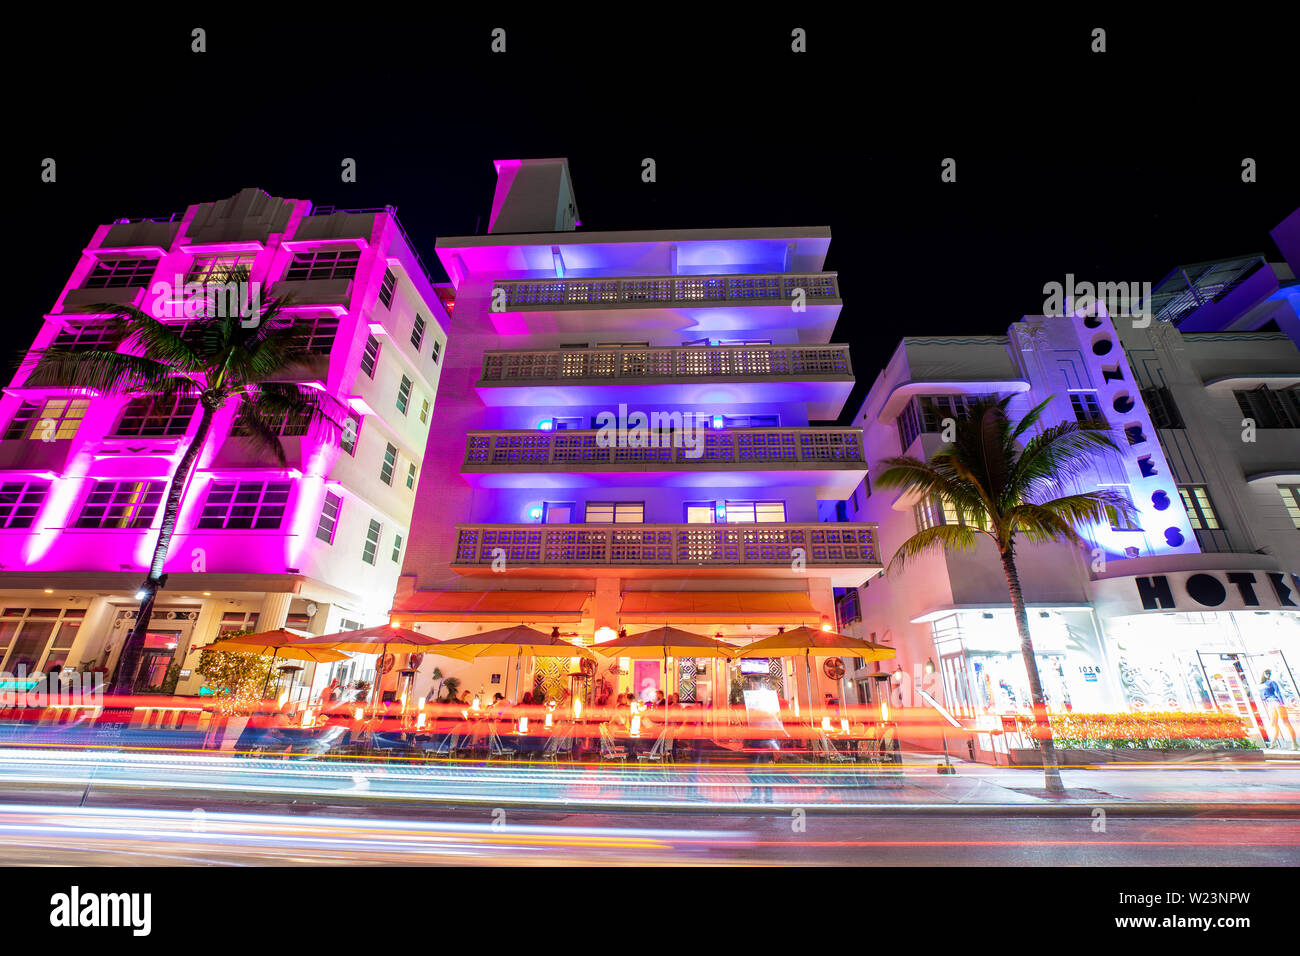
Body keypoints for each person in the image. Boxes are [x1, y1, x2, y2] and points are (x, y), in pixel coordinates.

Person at [1259, 670, 1297, 749]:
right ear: (1263, 674)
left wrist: (1282, 703)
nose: (1269, 674)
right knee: (1274, 724)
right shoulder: (1261, 685)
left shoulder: (1272, 682)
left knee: (1285, 722)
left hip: (1276, 703)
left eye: (1270, 673)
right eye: (1267, 673)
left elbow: (1278, 693)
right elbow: (1262, 697)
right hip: (1270, 704)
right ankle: (1273, 743)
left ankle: (1294, 743)